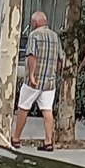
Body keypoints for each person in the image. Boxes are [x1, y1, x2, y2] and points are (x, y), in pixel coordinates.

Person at [17, 10, 62, 150]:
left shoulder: (34, 35)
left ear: (35, 23)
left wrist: (31, 75)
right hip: (50, 81)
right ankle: (48, 141)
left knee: (23, 107)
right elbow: (61, 58)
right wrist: (55, 72)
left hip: (35, 80)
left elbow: (32, 56)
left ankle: (16, 138)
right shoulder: (55, 36)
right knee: (47, 110)